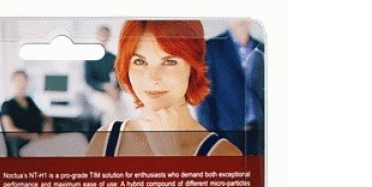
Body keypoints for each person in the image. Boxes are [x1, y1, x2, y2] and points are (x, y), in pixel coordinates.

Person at [86, 20, 241, 157]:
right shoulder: (105, 141)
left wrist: (169, 158)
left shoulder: (224, 155)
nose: (152, 77)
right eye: (140, 61)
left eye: (169, 62)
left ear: (193, 67)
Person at [196, 20, 264, 155]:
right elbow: (204, 99)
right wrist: (211, 139)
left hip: (259, 136)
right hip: (227, 135)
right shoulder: (212, 48)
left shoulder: (262, 48)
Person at [0, 70, 53, 156]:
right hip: (25, 143)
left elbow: (45, 117)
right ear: (13, 83)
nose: (21, 84)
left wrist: (46, 130)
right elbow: (9, 129)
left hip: (40, 140)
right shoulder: (7, 105)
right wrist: (31, 136)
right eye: (18, 81)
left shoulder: (29, 101)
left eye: (24, 81)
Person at [84, 26, 131, 125]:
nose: (104, 37)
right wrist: (106, 88)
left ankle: (120, 133)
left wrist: (117, 91)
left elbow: (119, 78)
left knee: (125, 110)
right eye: (102, 34)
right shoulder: (90, 57)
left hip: (113, 92)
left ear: (109, 37)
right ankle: (107, 133)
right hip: (96, 92)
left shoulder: (112, 57)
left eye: (106, 35)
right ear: (97, 36)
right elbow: (89, 80)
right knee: (111, 108)